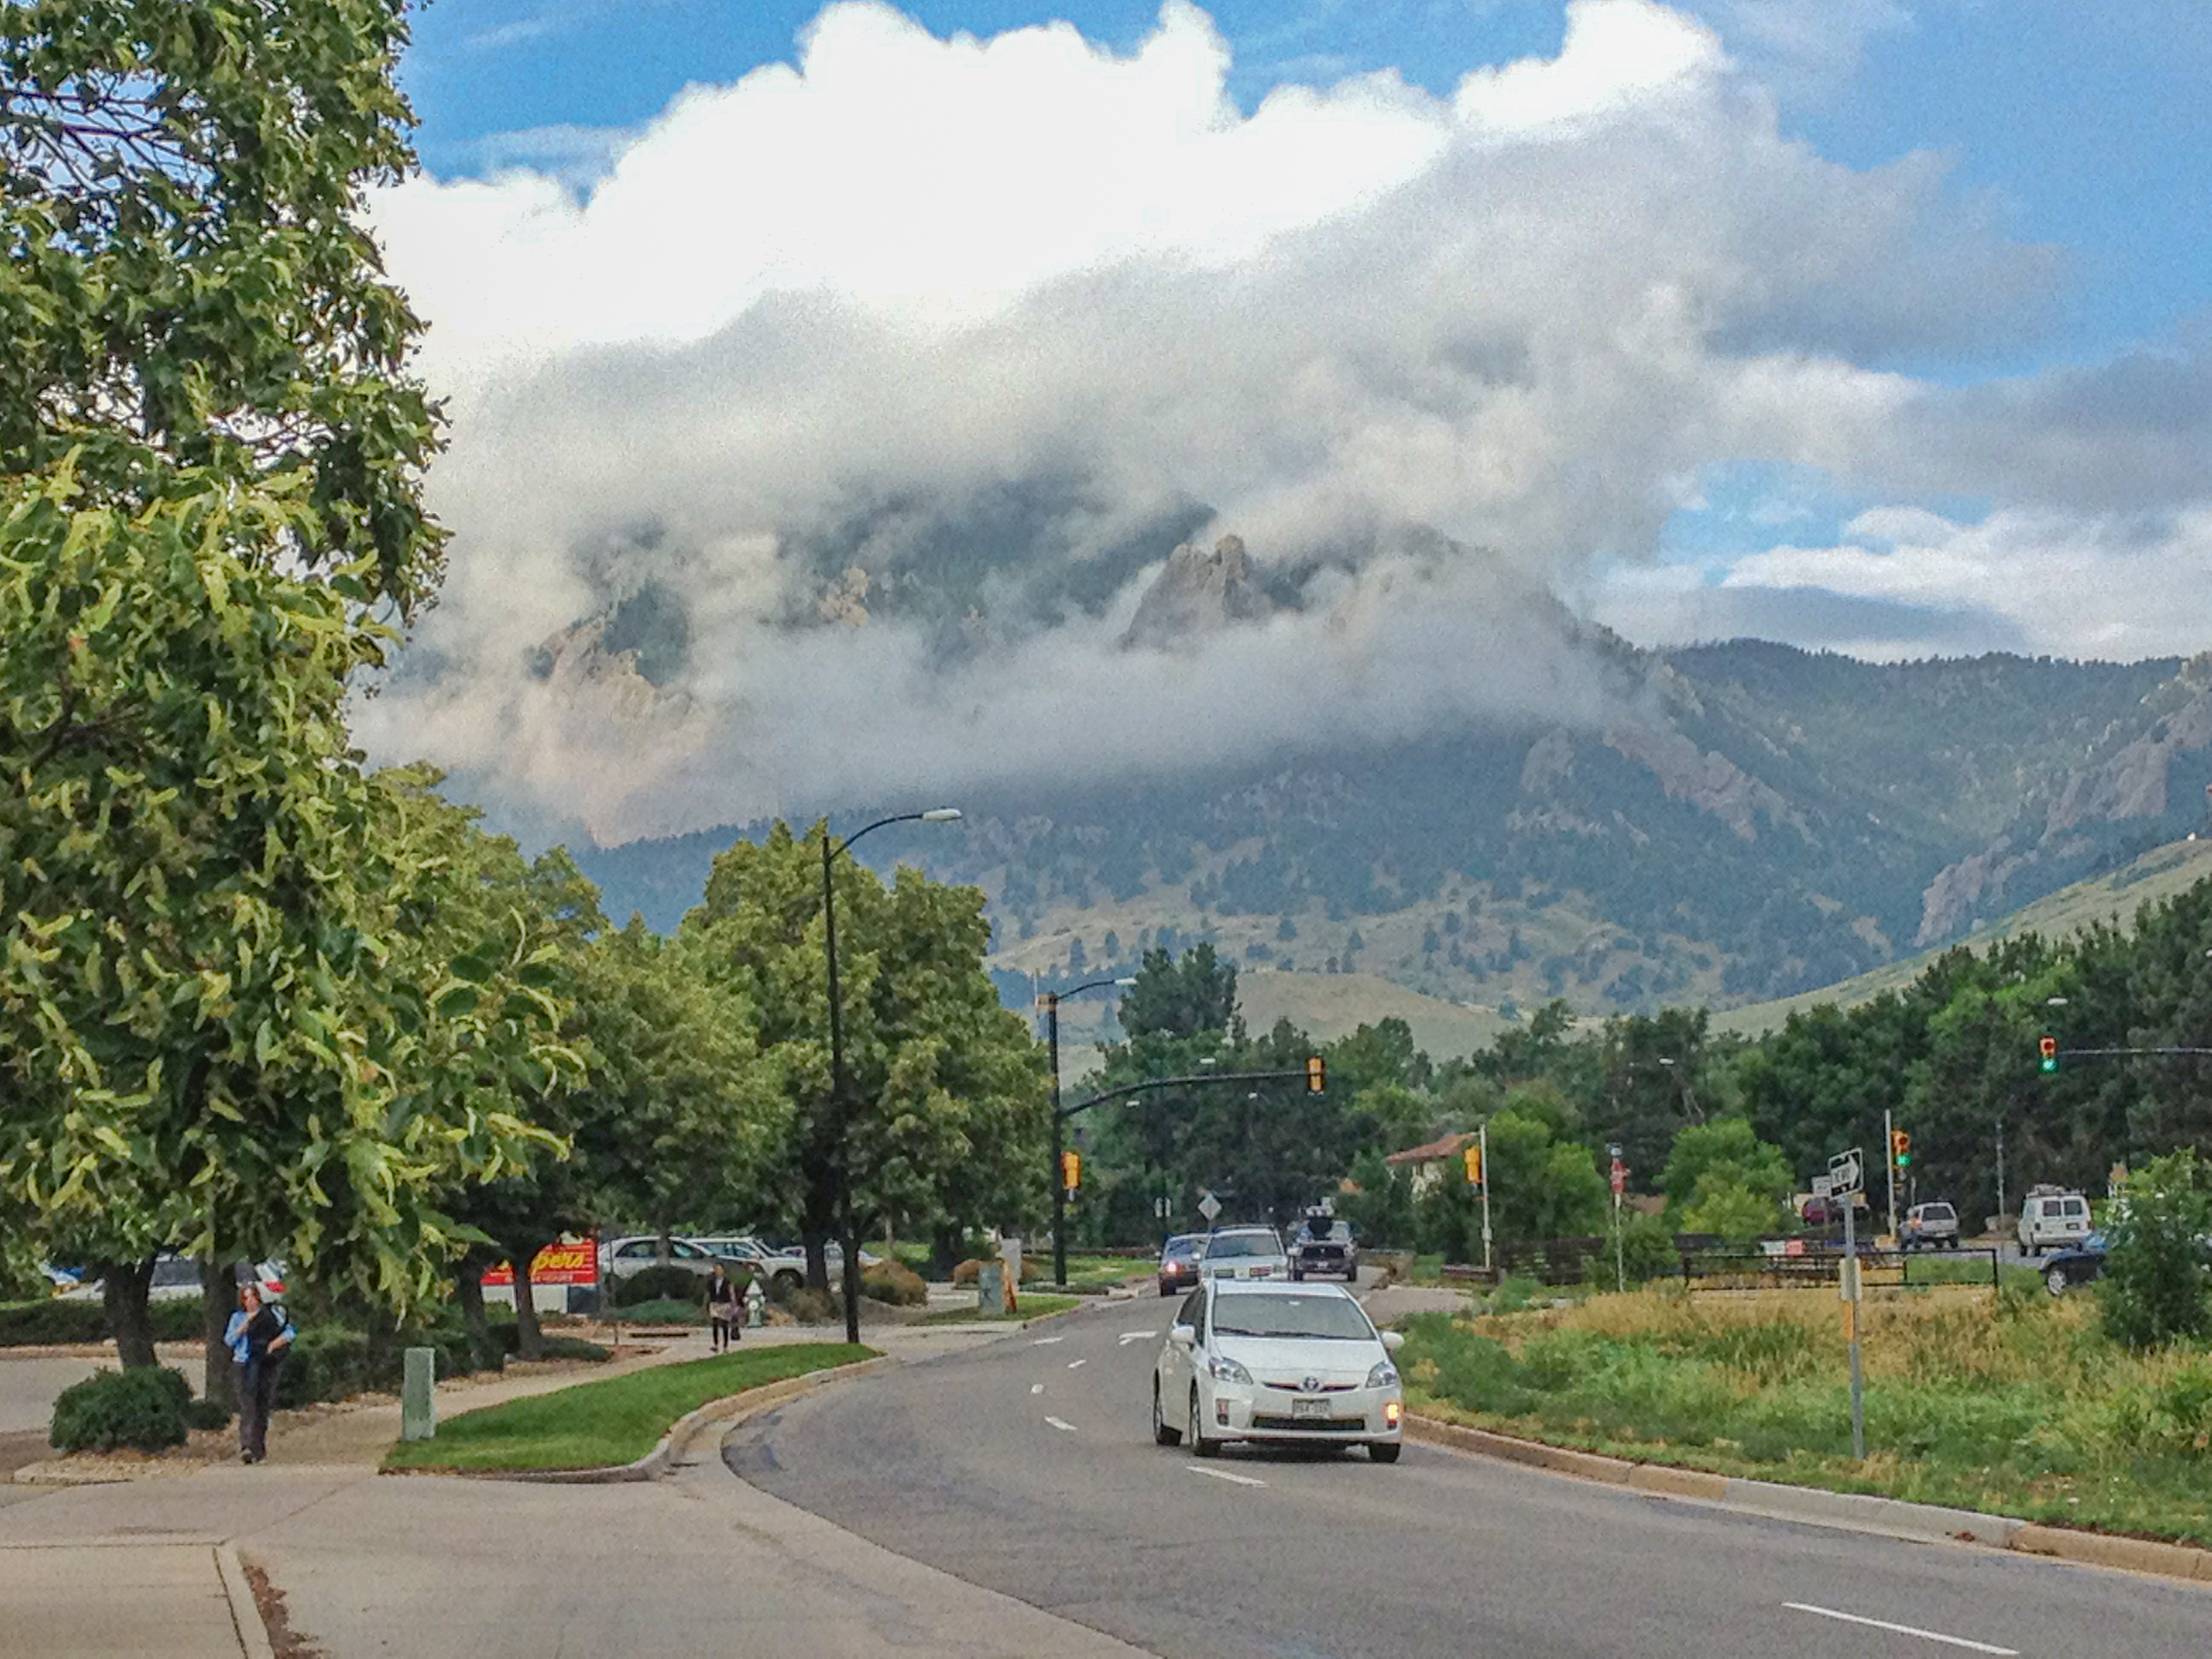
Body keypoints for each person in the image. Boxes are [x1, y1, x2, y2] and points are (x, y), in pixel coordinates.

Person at [227, 1277, 295, 1463]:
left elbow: (290, 1331)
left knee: (262, 1404)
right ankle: (247, 1446)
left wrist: (274, 1344)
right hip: (243, 1363)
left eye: (252, 1297)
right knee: (247, 1404)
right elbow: (229, 1340)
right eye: (246, 1298)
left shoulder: (271, 1314)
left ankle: (258, 1446)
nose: (250, 1301)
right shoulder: (237, 1318)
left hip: (265, 1363)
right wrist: (243, 1327)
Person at [707, 1263, 742, 1352]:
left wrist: (733, 1304)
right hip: (714, 1303)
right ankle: (715, 1344)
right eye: (716, 1269)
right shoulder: (711, 1281)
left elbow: (731, 1292)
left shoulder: (727, 1281)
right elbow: (709, 1293)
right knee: (715, 1323)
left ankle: (725, 1345)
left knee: (724, 1324)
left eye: (720, 1269)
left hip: (725, 1303)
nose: (718, 1271)